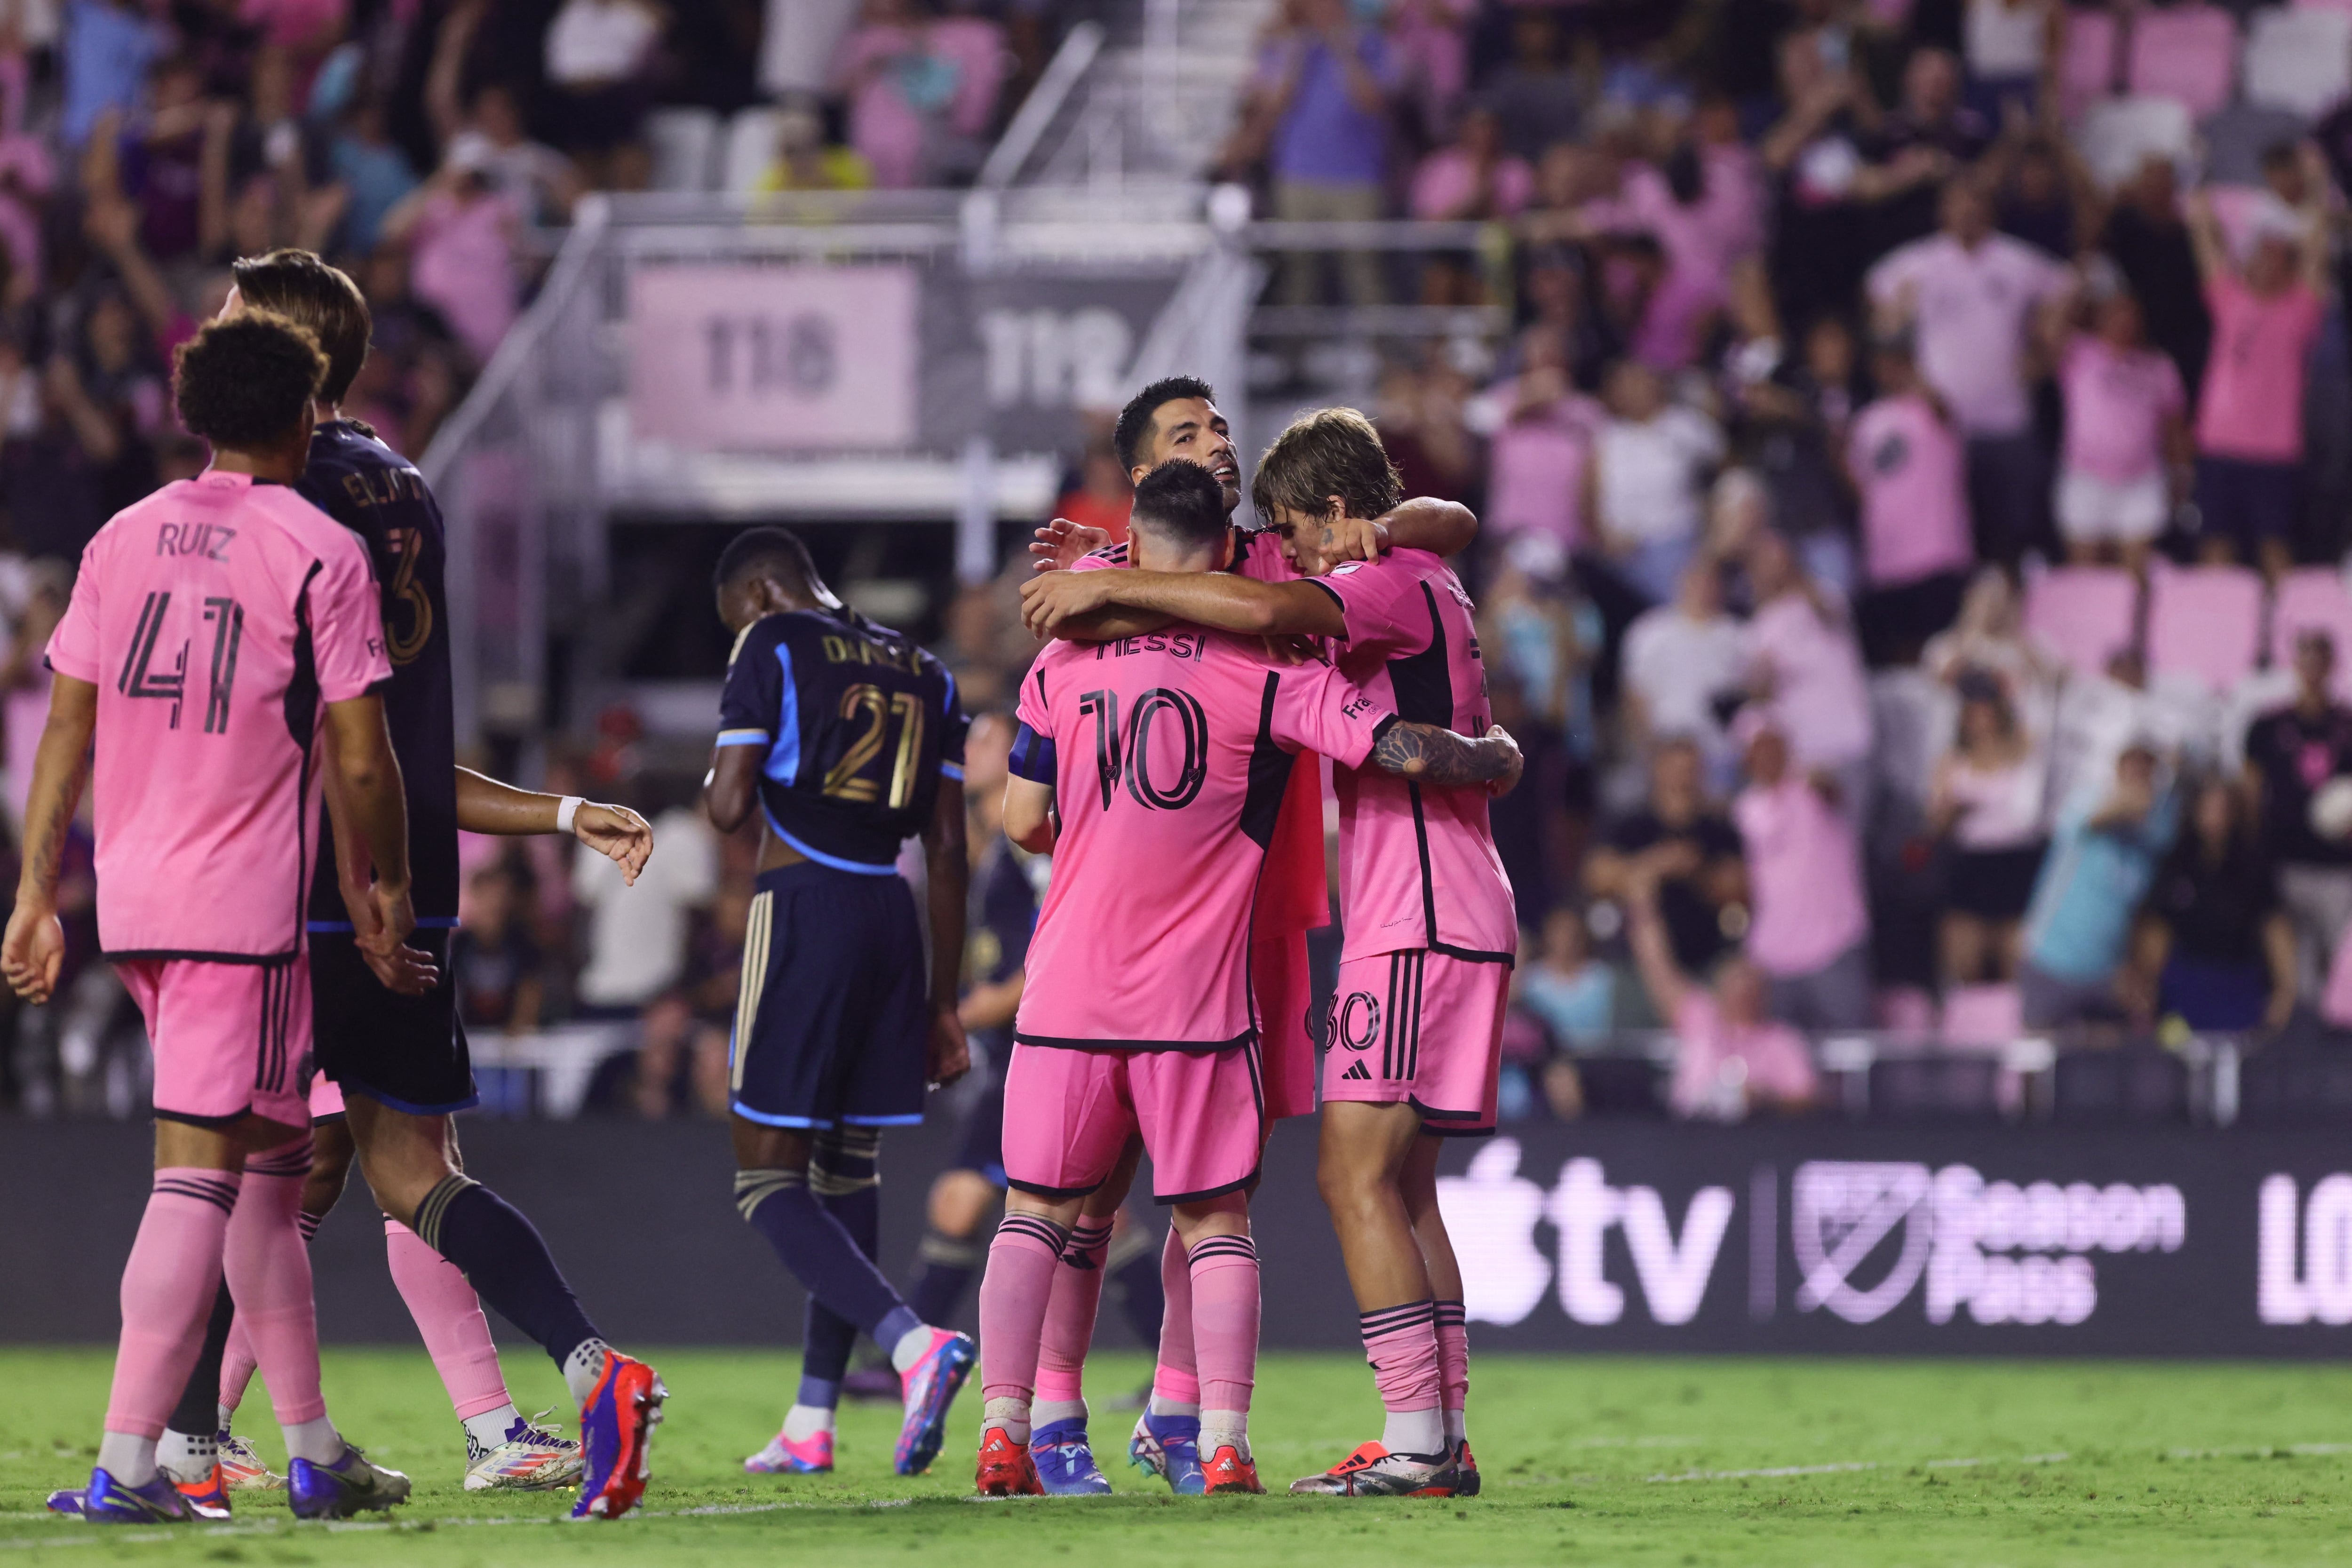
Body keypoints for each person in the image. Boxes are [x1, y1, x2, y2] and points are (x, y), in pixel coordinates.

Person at [155, 252, 667, 1522]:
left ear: (284, 343)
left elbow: (323, 725)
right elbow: (403, 738)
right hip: (404, 873)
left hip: (296, 875)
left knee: (240, 1161)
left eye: (232, 316)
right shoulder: (408, 487)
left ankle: (180, 1437)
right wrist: (535, 816)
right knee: (392, 1165)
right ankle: (590, 1367)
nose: (214, 332)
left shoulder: (271, 501)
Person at [980, 459, 1520, 1498]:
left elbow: (1021, 820)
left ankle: (1015, 1432)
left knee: (1039, 1213)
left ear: (1130, 541)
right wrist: (1490, 755)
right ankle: (1221, 1439)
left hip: (1067, 986)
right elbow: (1390, 742)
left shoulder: (1056, 661)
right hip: (1197, 996)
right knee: (1219, 1218)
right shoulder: (1266, 669)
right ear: (1224, 537)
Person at [9, 310, 412, 1525]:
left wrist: (35, 889)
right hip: (243, 911)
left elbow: (66, 724)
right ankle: (133, 1462)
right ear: (306, 416)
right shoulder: (318, 547)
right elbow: (359, 753)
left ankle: (311, 1447)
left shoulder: (119, 536)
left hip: (135, 897)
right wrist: (379, 887)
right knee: (199, 1176)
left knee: (273, 1172)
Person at [703, 526, 977, 1480]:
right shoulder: (924, 667)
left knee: (766, 1177)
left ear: (761, 591)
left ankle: (910, 1344)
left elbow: (731, 805)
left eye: (736, 612)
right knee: (844, 1166)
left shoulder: (770, 639)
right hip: (891, 918)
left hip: (806, 905)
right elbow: (949, 847)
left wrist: (716, 769)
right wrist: (943, 1002)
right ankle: (812, 1418)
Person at [1867, 175, 2072, 565]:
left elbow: (2067, 286)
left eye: (1975, 202)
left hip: (2007, 421)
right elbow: (1878, 299)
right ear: (1943, 212)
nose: (1967, 212)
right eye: (1957, 203)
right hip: (1942, 427)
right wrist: (1901, 339)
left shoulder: (2014, 260)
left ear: (1989, 209)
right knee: (1954, 536)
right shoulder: (1920, 264)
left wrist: (2045, 347)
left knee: (2015, 530)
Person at [2185, 165, 2330, 577]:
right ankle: (2218, 631)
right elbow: (2204, 241)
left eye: (2275, 254)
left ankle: (2285, 632)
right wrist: (2199, 182)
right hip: (2218, 444)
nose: (2265, 261)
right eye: (2259, 252)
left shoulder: (2300, 311)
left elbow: (2318, 250)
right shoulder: (2230, 299)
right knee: (2215, 546)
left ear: (2287, 264)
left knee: (2275, 549)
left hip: (2274, 448)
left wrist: (2318, 186)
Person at [1624, 863, 1819, 1121]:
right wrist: (1643, 909)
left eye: (1750, 983)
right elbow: (1657, 967)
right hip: (1688, 1136)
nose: (1743, 990)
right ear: (1719, 989)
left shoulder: (1781, 1042)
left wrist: (1764, 1099)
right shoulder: (1699, 1015)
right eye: (1735, 982)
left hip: (1756, 1141)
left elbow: (1809, 1100)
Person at [2017, 740, 2177, 1029]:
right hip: (2050, 960)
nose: (2137, 776)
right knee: (2036, 1061)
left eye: (2146, 768)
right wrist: (2134, 800)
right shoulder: (2088, 799)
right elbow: (2093, 819)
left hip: (2106, 972)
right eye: (2131, 766)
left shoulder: (2154, 832)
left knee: (2101, 1067)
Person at [1731, 708, 1871, 1030]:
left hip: (1834, 944)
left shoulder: (1814, 790)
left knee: (1848, 1057)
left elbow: (1834, 790)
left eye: (1773, 744)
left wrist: (1819, 781)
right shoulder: (1742, 811)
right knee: (1783, 1061)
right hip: (1772, 956)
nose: (1766, 754)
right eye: (1757, 747)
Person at [1845, 332, 1972, 665]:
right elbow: (1860, 486)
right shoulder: (1866, 421)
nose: (1889, 369)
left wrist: (1914, 374)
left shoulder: (1932, 408)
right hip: (1888, 562)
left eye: (1897, 361)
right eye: (1883, 363)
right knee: (1903, 658)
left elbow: (1944, 411)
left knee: (1946, 654)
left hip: (1938, 554)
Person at [2135, 776, 2296, 1033]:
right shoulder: (2177, 862)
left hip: (2239, 981)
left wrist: (2285, 990)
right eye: (2208, 808)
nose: (2215, 818)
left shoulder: (2253, 865)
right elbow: (2157, 928)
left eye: (2222, 809)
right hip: (2185, 980)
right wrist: (2146, 986)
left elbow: (2275, 928)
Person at [2242, 631, 2352, 997]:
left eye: (2320, 662)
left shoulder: (2347, 726)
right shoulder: (2268, 726)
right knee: (2295, 970)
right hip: (2286, 860)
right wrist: (2256, 851)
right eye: (2306, 661)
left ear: (2332, 666)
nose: (2313, 671)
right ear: (2295, 665)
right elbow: (2251, 792)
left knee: (2338, 963)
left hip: (2338, 866)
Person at [1585, 737, 1745, 979]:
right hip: (1638, 968)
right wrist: (1657, 864)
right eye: (1675, 770)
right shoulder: (1631, 824)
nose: (1682, 779)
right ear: (1657, 771)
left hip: (1706, 963)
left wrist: (1698, 871)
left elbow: (1738, 889)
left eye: (1690, 771)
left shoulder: (1718, 828)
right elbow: (1597, 878)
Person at [1927, 672, 2048, 986]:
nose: (1981, 722)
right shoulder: (1952, 761)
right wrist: (1953, 811)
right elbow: (1935, 822)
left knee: (2018, 960)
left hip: (2018, 860)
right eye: (1973, 715)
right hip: (1972, 864)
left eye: (1988, 713)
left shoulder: (2024, 749)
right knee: (1964, 962)